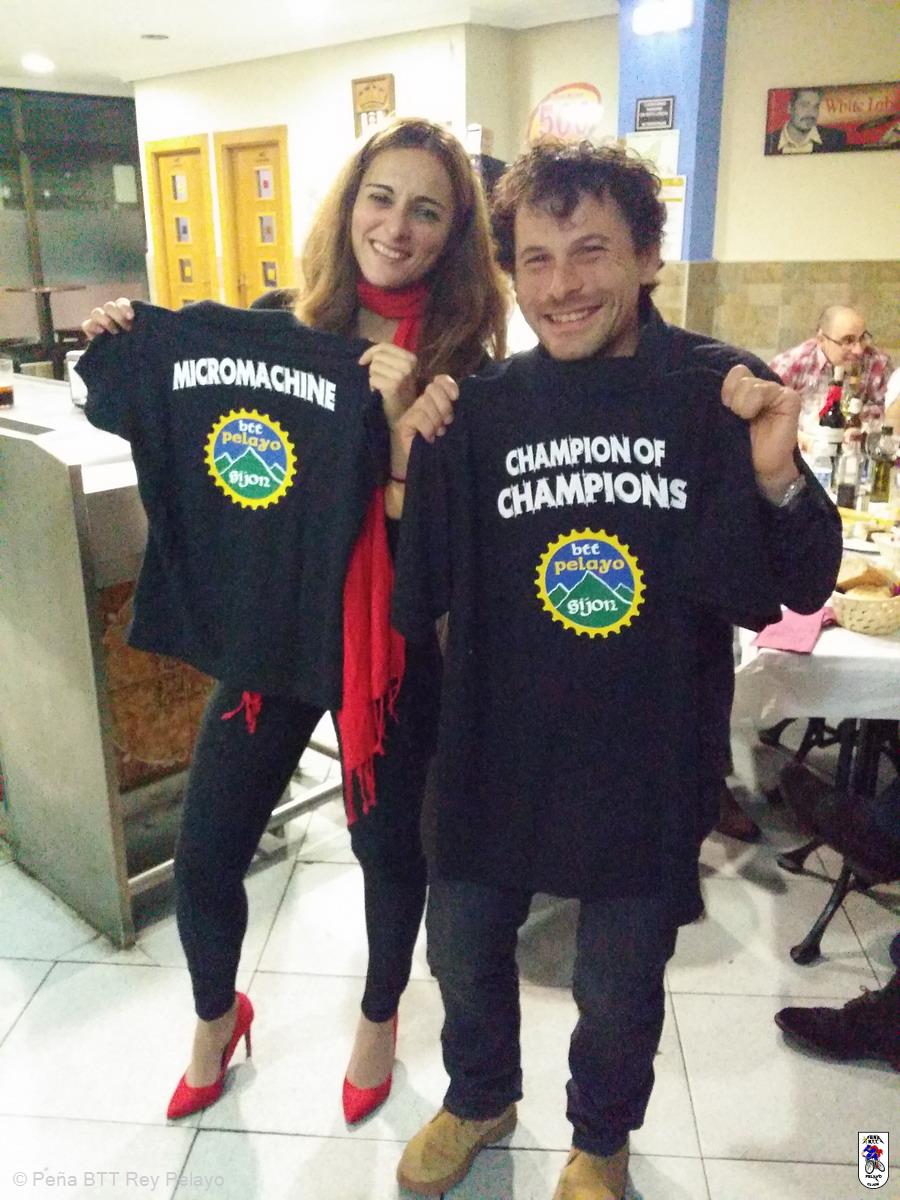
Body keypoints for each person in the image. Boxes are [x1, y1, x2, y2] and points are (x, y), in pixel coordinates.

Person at [390, 140, 842, 1200]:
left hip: (645, 756)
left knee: (618, 984)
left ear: (647, 256)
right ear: (512, 273)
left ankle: (601, 1140)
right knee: (459, 946)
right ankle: (479, 1098)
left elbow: (803, 580)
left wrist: (776, 471)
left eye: (591, 251)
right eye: (536, 260)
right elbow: (416, 594)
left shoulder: (716, 392)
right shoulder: (480, 408)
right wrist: (414, 456)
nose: (562, 285)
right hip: (493, 746)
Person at [79, 117, 508, 1126]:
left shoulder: (469, 368)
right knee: (207, 850)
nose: (396, 227)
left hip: (390, 652)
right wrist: (124, 344)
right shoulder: (282, 322)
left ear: (453, 235)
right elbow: (154, 413)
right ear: (350, 204)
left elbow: (452, 553)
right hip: (273, 634)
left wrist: (402, 444)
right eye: (381, 198)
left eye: (427, 211)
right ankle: (214, 1018)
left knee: (387, 852)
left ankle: (377, 1018)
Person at [769, 304, 894, 421]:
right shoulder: (792, 364)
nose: (859, 350)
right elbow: (767, 414)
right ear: (821, 340)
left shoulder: (878, 363)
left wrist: (856, 418)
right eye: (848, 340)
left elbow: (891, 415)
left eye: (862, 338)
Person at [764, 88, 847, 155]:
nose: (811, 113)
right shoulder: (768, 142)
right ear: (790, 107)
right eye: (804, 105)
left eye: (816, 107)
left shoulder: (835, 139)